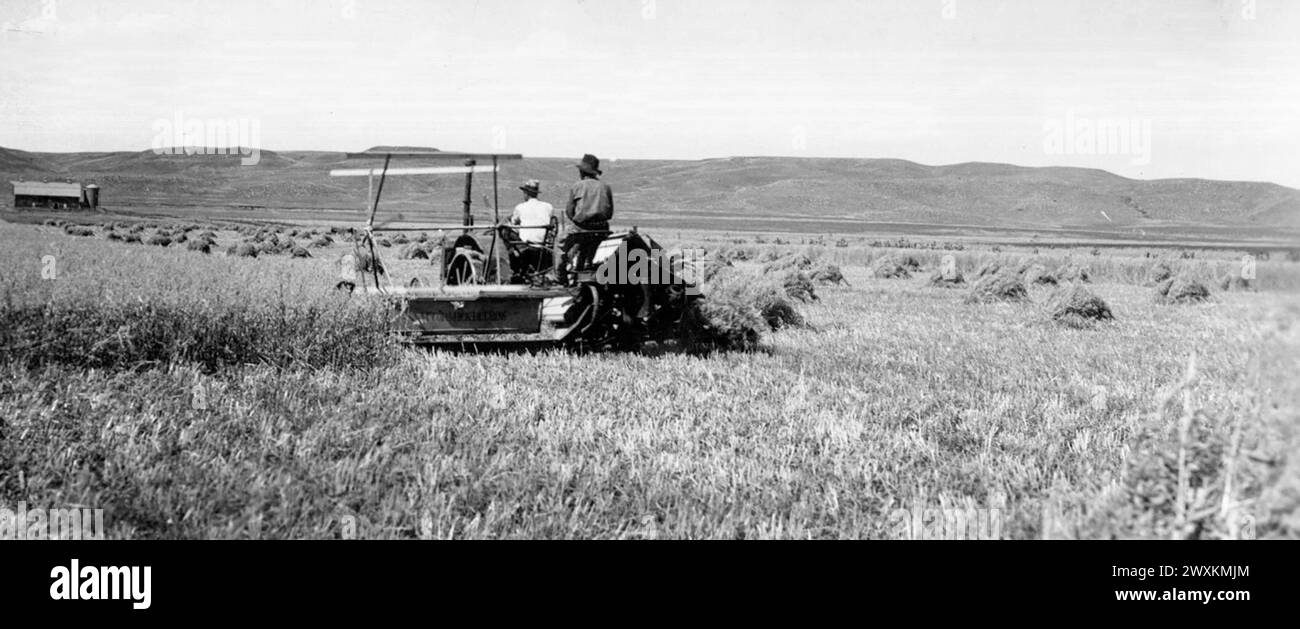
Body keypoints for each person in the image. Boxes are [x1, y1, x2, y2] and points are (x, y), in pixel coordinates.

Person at [559, 153, 613, 277]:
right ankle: (586, 265)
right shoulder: (606, 187)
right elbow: (610, 213)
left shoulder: (577, 186)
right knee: (590, 243)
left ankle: (559, 276)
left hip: (581, 228)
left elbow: (569, 212)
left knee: (560, 244)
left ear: (582, 172)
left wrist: (579, 220)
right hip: (602, 228)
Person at [509, 179, 554, 244]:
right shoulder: (548, 207)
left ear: (526, 194)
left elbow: (513, 222)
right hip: (543, 243)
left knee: (505, 230)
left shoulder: (520, 207)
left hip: (525, 244)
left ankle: (514, 252)